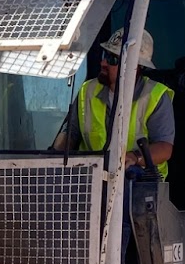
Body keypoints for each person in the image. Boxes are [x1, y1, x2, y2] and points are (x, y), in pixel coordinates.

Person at [61, 30, 174, 175]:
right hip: (90, 180)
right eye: (104, 55)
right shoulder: (87, 90)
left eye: (112, 59)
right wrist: (51, 158)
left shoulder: (156, 96)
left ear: (134, 66)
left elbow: (164, 148)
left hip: (140, 186)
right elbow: (71, 133)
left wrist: (135, 158)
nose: (103, 63)